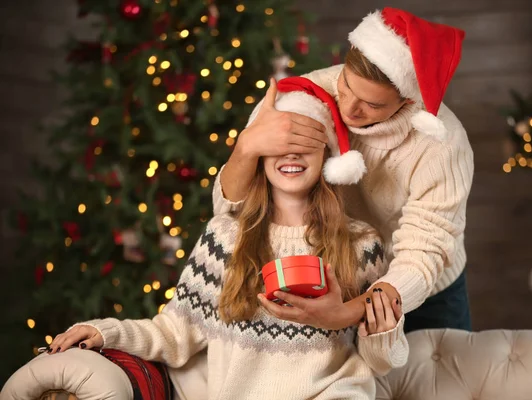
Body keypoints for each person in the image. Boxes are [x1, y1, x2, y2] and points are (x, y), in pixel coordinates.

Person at [38, 78, 408, 400]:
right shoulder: (225, 238)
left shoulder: (361, 243)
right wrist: (103, 331)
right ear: (259, 155)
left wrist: (382, 330)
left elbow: (379, 362)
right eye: (279, 142)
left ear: (326, 154)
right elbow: (174, 333)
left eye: (307, 140)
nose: (292, 152)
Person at [214, 7, 475, 333]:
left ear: (408, 102)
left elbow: (424, 254)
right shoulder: (302, 97)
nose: (349, 107)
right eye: (347, 86)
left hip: (421, 291)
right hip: (338, 271)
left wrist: (345, 313)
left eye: (372, 105)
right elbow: (228, 210)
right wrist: (246, 147)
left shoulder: (442, 144)